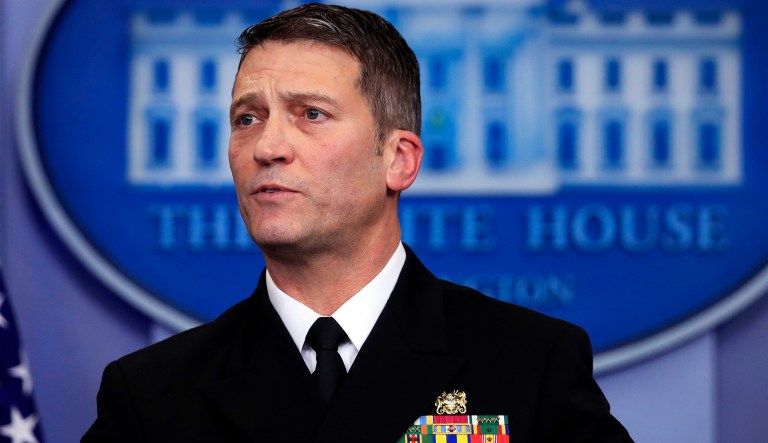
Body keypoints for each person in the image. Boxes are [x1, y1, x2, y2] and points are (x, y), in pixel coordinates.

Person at [82, 3, 632, 442]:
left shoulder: (530, 365)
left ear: (399, 160)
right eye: (248, 118)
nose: (267, 147)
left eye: (311, 114)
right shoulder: (149, 393)